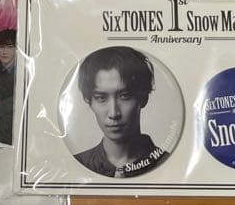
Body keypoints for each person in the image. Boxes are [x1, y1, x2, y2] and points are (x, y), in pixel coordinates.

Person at [72, 46, 170, 178]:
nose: (114, 113)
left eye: (125, 96)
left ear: (143, 97)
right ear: (89, 101)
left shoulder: (170, 164)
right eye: (101, 98)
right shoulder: (75, 165)